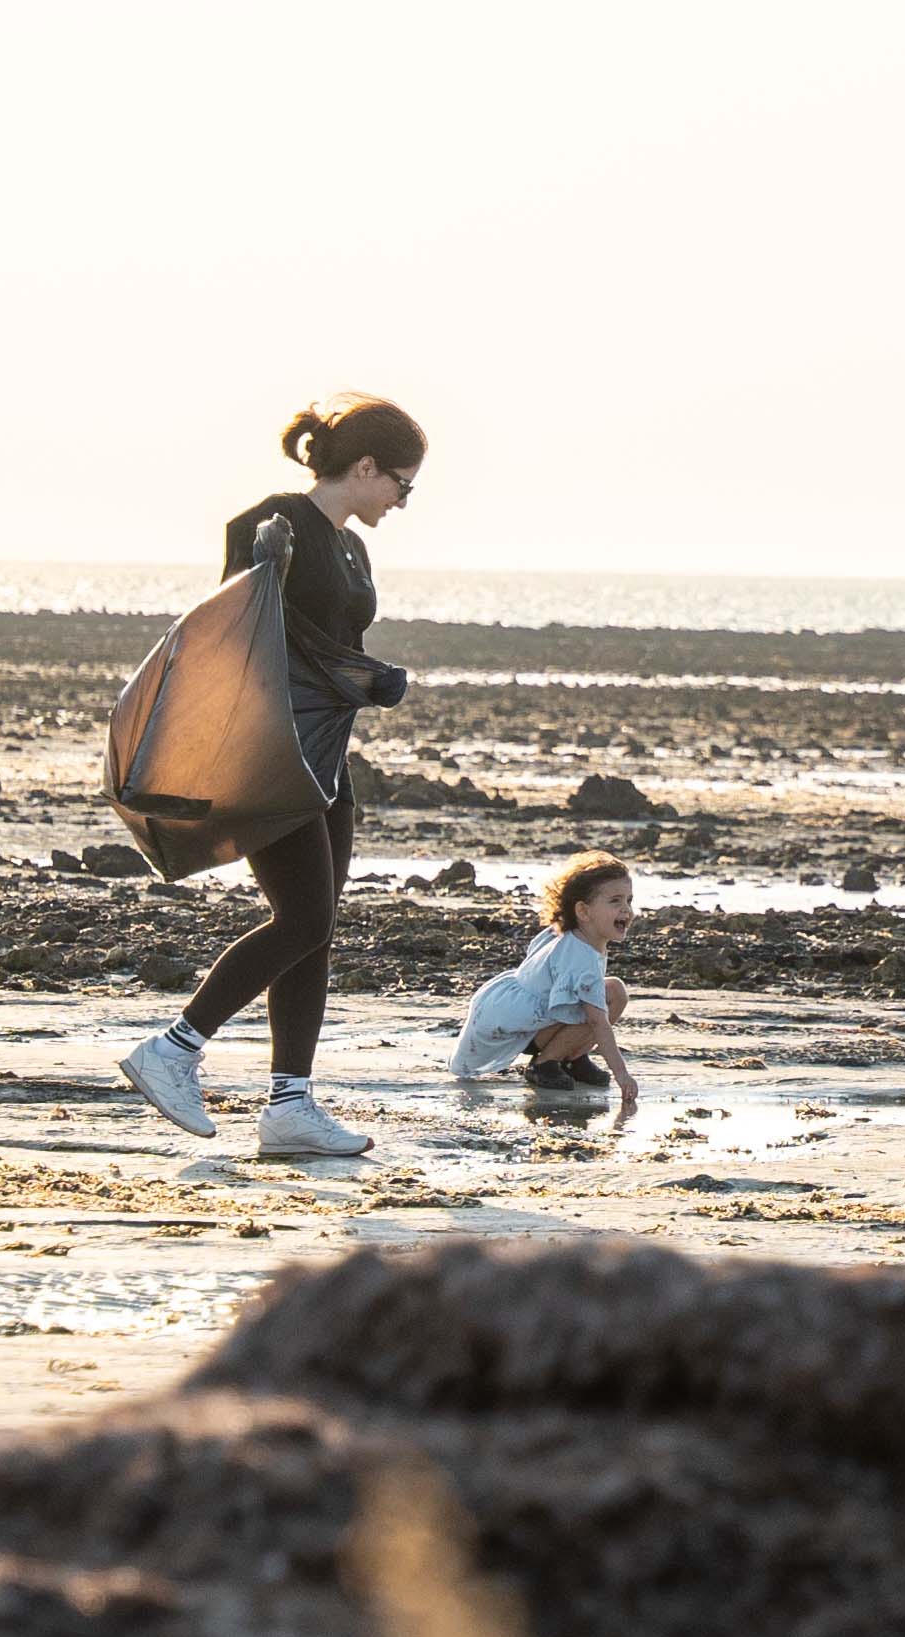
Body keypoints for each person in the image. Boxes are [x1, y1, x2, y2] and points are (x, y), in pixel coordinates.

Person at [117, 393, 424, 1158]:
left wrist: (363, 678)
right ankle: (175, 1048)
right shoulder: (273, 522)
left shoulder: (353, 549)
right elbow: (248, 636)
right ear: (363, 467)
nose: (402, 500)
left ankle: (290, 1106)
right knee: (304, 920)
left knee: (314, 933)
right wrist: (358, 670)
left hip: (327, 755)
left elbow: (326, 645)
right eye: (401, 484)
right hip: (269, 752)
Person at [454, 852, 642, 1122]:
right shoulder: (582, 956)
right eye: (615, 901)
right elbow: (599, 1022)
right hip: (518, 1025)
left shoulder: (569, 933)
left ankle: (572, 1057)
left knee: (615, 991)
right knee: (595, 1006)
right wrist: (622, 1074)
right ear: (583, 911)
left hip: (510, 1008)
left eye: (629, 901)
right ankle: (545, 1063)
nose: (626, 910)